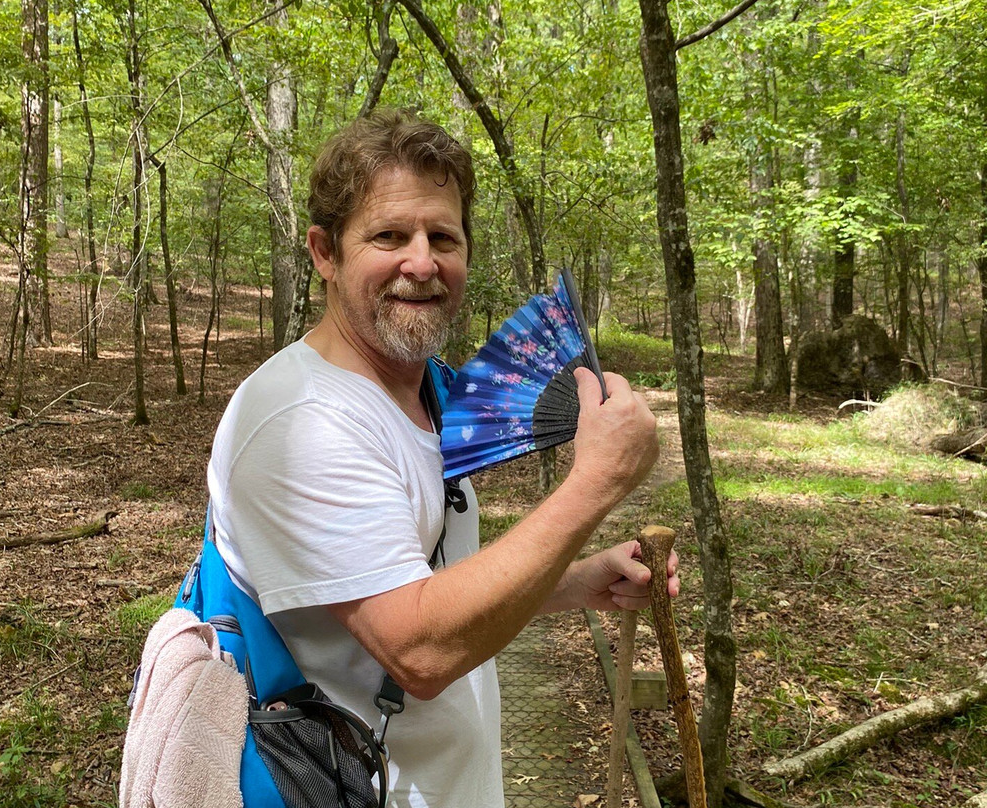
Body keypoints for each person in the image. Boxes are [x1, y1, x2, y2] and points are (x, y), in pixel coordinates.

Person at [206, 109, 677, 808]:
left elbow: (430, 585)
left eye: (443, 237)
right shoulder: (299, 423)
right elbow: (420, 650)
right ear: (325, 253)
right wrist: (596, 482)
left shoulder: (427, 389)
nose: (423, 263)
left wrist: (577, 582)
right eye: (389, 236)